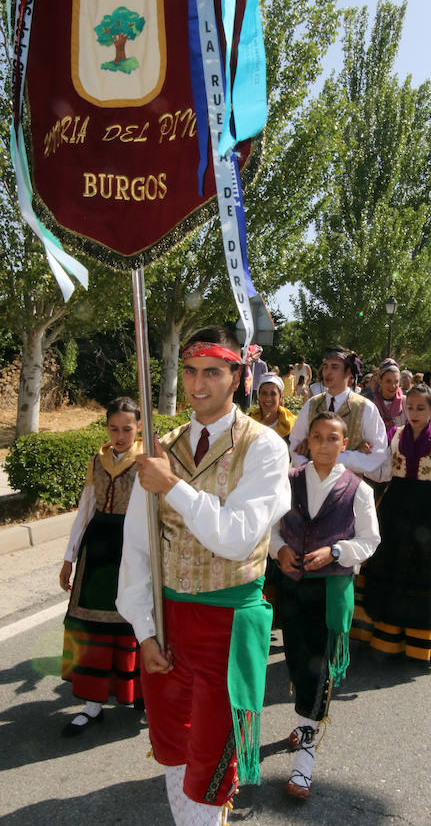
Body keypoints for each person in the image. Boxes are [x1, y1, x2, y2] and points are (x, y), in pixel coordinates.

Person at [116, 327, 291, 826]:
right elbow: (138, 547)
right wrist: (143, 629)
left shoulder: (264, 448)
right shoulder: (162, 446)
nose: (197, 384)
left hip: (228, 623)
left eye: (212, 372)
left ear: (238, 376)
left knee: (212, 759)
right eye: (190, 371)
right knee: (172, 745)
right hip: (168, 621)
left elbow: (236, 537)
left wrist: (171, 485)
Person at [269, 412, 379, 798]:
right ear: (307, 443)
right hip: (294, 588)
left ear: (344, 444)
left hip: (332, 590)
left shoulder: (358, 489)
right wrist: (279, 550)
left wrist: (336, 551)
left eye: (332, 438)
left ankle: (305, 762)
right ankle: (304, 724)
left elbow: (369, 540)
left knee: (321, 668)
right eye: (317, 437)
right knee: (297, 662)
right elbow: (272, 527)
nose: (324, 444)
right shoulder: (289, 480)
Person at [357, 384, 431, 661]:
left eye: (421, 408)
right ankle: (384, 637)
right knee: (389, 569)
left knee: (423, 575)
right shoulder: (393, 435)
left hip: (428, 512)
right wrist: (364, 455)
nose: (414, 413)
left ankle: (417, 643)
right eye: (410, 408)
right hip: (394, 509)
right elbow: (382, 472)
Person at [59, 397, 144, 736]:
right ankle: (91, 704)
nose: (120, 435)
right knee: (90, 625)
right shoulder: (98, 461)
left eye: (127, 428)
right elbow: (84, 511)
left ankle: (139, 693)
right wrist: (69, 557)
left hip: (132, 547)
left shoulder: (147, 462)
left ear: (138, 428)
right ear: (106, 427)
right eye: (114, 428)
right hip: (96, 551)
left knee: (135, 621)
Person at [289, 346, 388, 478]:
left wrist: (340, 458)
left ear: (348, 372)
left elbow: (379, 450)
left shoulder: (365, 408)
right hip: (312, 483)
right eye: (325, 366)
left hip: (348, 487)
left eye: (334, 367)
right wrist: (307, 466)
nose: (327, 372)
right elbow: (296, 443)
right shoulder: (311, 404)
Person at [249, 373, 297, 440]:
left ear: (280, 397)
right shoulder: (249, 422)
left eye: (273, 394)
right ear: (258, 396)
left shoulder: (292, 424)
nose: (268, 398)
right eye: (264, 393)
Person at [371, 358, 407, 433]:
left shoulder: (406, 403)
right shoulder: (371, 403)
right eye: (388, 381)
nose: (393, 386)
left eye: (396, 382)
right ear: (380, 381)